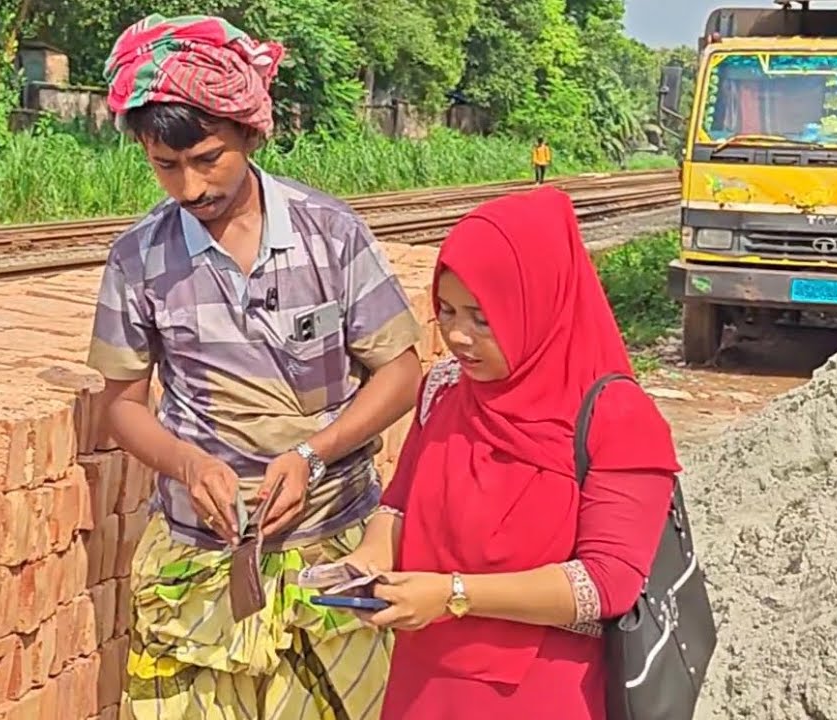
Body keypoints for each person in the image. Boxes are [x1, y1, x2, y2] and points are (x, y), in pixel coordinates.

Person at [88, 13, 425, 720]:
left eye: (208, 158)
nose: (188, 186)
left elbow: (401, 371)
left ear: (250, 133)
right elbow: (121, 405)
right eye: (165, 165)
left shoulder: (329, 234)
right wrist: (188, 465)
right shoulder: (138, 259)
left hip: (330, 549)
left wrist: (312, 452)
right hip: (196, 560)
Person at [339, 187, 681, 720]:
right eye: (447, 311)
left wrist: (454, 595)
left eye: (483, 318)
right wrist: (369, 560)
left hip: (544, 690)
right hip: (425, 676)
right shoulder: (446, 390)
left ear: (538, 304)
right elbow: (400, 502)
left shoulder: (617, 417)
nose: (457, 335)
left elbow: (607, 583)